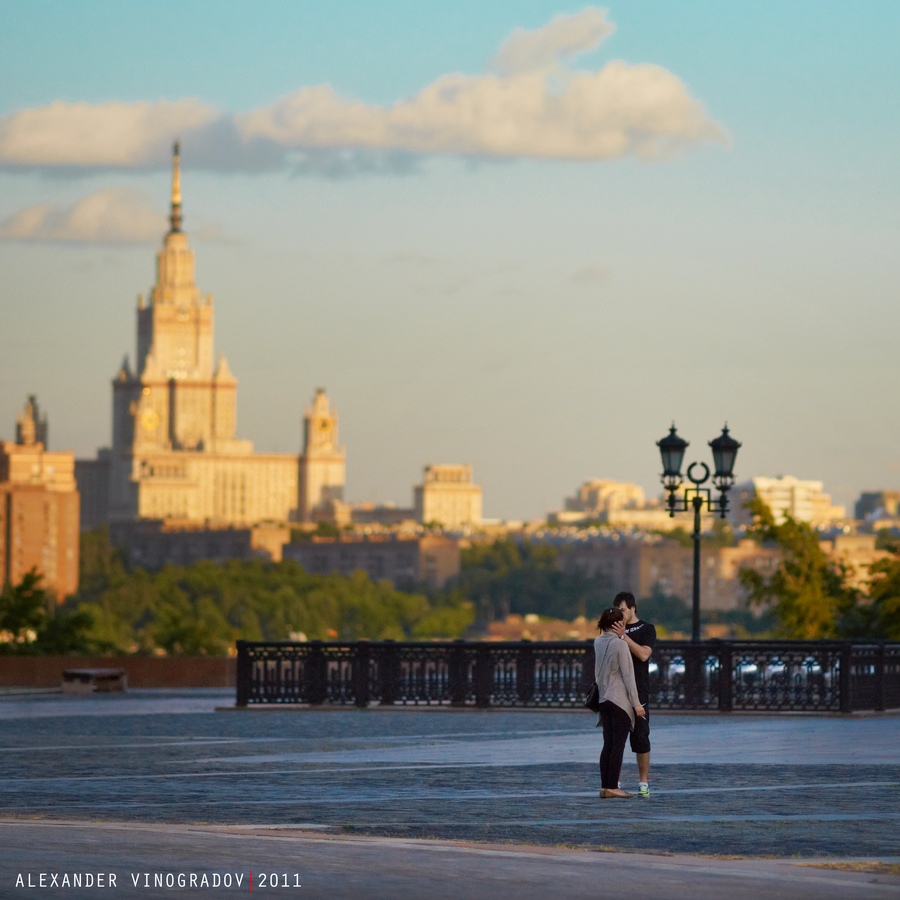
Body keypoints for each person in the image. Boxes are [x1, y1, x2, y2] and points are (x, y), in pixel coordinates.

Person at [594, 606, 645, 799]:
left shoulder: (597, 642)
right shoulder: (620, 645)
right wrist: (637, 703)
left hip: (604, 699)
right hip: (619, 701)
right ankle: (613, 787)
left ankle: (605, 786)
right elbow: (628, 676)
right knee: (618, 745)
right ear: (619, 624)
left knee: (608, 744)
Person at [612, 591, 656, 798]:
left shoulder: (646, 629)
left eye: (623, 610)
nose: (620, 614)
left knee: (641, 738)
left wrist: (624, 637)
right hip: (616, 692)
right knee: (615, 739)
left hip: (639, 691)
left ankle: (643, 783)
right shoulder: (613, 629)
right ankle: (614, 781)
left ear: (632, 608)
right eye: (617, 611)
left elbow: (644, 654)